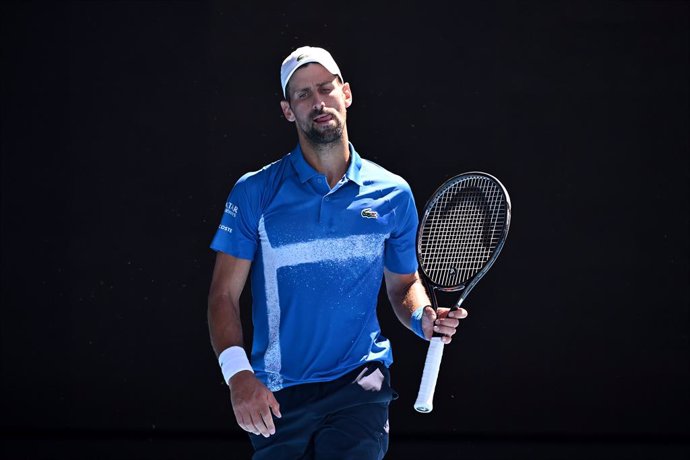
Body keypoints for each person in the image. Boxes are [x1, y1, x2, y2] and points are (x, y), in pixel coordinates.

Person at [207, 45, 467, 459]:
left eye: (325, 89)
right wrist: (238, 376)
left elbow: (404, 285)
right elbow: (223, 296)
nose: (318, 102)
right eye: (303, 95)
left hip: (358, 385)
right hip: (277, 395)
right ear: (288, 110)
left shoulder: (393, 194)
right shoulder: (254, 192)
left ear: (345, 94)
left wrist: (423, 317)